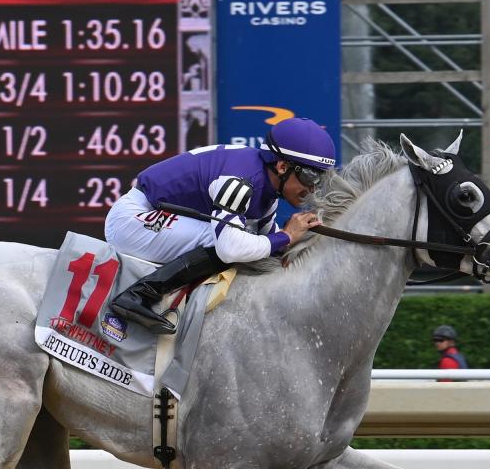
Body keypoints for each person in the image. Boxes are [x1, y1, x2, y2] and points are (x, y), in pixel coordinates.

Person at [106, 116, 337, 334]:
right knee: (225, 240)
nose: (313, 188)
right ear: (283, 166)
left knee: (245, 240)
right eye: (310, 177)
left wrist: (294, 239)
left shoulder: (267, 189)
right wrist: (286, 236)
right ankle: (139, 295)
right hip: (132, 219)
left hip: (153, 216)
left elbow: (269, 242)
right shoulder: (241, 181)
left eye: (320, 179)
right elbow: (230, 249)